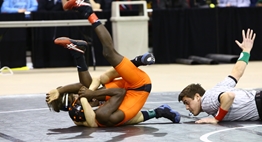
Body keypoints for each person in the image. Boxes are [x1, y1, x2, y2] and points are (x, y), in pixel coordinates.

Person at [46, 0, 180, 127]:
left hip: (123, 91)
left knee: (98, 81)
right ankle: (88, 13)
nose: (78, 95)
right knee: (108, 56)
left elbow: (84, 86)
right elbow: (120, 94)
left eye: (74, 96)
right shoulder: (101, 115)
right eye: (76, 98)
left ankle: (78, 54)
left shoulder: (88, 110)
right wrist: (89, 95)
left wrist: (60, 90)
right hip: (139, 86)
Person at [178, 29, 262, 124]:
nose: (187, 107)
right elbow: (236, 73)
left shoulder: (206, 102)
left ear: (197, 96)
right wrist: (246, 51)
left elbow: (229, 96)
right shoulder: (217, 88)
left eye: (187, 102)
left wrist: (216, 119)